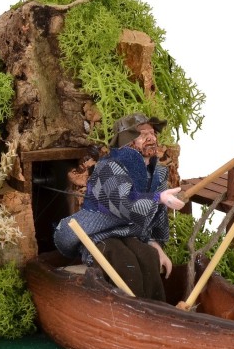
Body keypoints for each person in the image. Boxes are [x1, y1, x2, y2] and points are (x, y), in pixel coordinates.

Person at [54, 112, 185, 301]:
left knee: (148, 256)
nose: (151, 138)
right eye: (142, 134)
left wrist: (155, 244)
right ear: (127, 142)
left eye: (152, 133)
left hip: (129, 233)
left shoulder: (157, 173)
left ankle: (157, 308)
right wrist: (158, 198)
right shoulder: (108, 168)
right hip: (99, 232)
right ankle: (133, 310)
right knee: (123, 261)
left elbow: (158, 215)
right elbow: (124, 203)